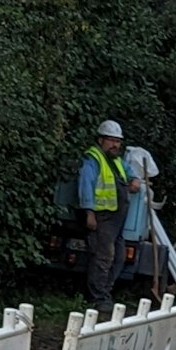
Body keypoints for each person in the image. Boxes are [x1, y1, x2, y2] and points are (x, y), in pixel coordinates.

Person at [77, 120, 131, 315]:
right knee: (104, 257)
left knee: (119, 258)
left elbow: (130, 174)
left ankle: (105, 292)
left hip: (118, 220)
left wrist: (134, 180)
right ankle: (98, 297)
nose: (115, 145)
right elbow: (86, 187)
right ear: (101, 140)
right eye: (111, 140)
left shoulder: (117, 161)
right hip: (103, 218)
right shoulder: (93, 159)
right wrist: (89, 213)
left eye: (118, 141)